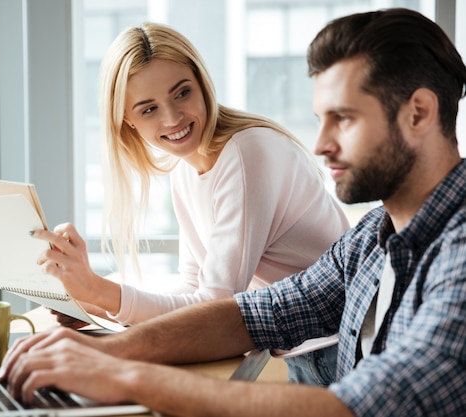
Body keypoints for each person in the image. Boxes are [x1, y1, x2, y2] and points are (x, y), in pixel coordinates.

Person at [0, 8, 466, 416]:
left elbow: (357, 408)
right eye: (321, 118)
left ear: (419, 113)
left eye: (342, 118)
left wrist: (126, 376)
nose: (320, 145)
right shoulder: (371, 238)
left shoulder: (458, 253)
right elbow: (255, 313)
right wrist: (103, 349)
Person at [31, 22, 349, 386]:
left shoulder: (246, 154)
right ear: (127, 121)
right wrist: (103, 307)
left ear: (202, 83)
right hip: (300, 351)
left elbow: (216, 309)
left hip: (337, 352)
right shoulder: (187, 170)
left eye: (182, 93)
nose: (173, 118)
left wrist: (101, 291)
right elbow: (192, 290)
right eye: (148, 109)